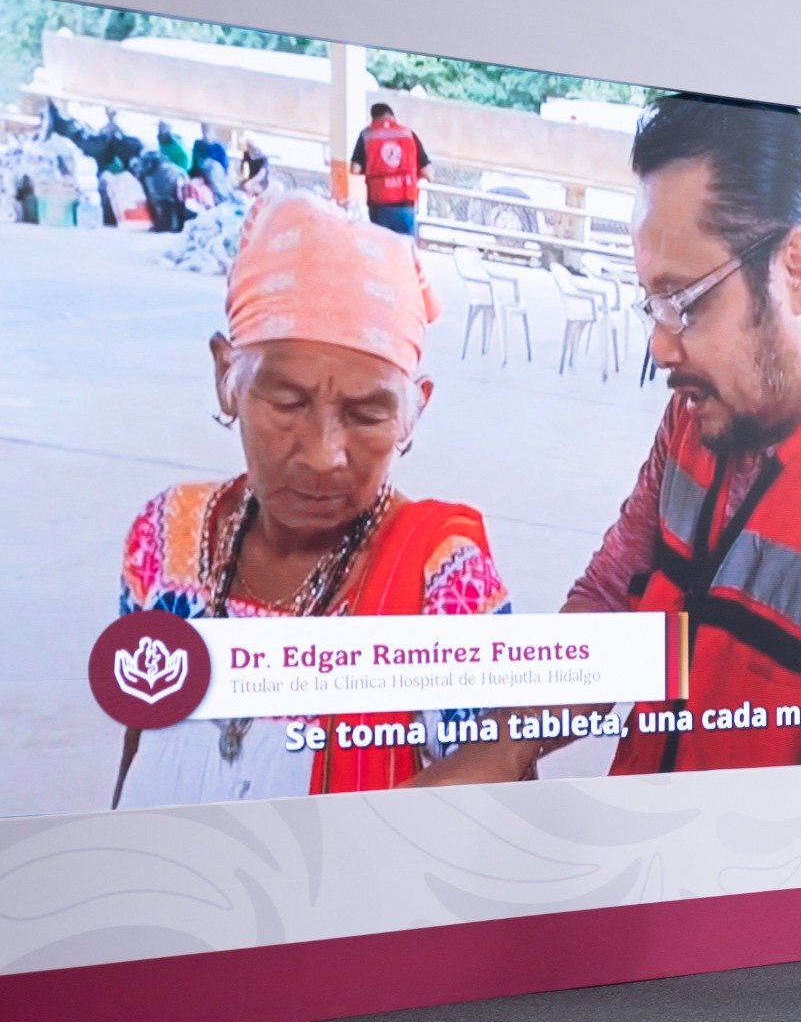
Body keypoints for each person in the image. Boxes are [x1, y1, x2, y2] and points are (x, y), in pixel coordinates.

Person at [425, 95, 801, 785]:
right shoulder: (709, 406)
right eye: (653, 303)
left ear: (795, 272)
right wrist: (500, 749)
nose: (660, 344)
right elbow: (613, 597)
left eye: (684, 301)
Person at [114, 193, 513, 808]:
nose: (325, 453)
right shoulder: (165, 537)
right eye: (288, 403)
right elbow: (138, 734)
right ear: (227, 375)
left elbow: (501, 808)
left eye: (366, 413)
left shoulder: (444, 585)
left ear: (415, 411)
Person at [351, 101, 430, 236]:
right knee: (405, 249)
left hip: (379, 203)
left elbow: (355, 169)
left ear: (373, 119)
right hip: (405, 205)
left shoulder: (367, 135)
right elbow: (428, 173)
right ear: (392, 116)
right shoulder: (408, 134)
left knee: (382, 250)